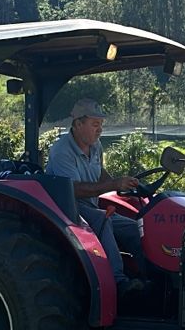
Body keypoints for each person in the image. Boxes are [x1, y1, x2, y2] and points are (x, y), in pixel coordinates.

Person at [44, 98, 145, 293]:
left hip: (90, 206)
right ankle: (119, 283)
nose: (100, 130)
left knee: (134, 227)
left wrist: (123, 185)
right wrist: (113, 184)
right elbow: (74, 189)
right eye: (95, 124)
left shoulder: (95, 146)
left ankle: (147, 276)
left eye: (101, 125)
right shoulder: (62, 151)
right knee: (103, 220)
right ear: (78, 124)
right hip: (68, 209)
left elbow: (99, 174)